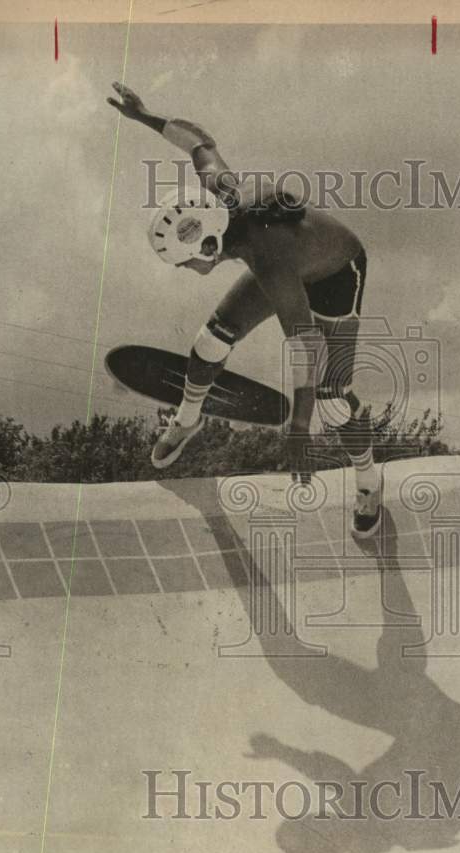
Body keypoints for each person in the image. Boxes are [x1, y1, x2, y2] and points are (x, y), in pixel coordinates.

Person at [107, 82, 381, 539]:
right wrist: (145, 116)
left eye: (190, 261)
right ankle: (188, 418)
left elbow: (304, 345)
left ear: (212, 242)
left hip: (335, 272)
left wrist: (299, 424)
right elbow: (200, 143)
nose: (191, 270)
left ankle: (370, 483)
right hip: (292, 258)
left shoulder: (268, 260)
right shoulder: (218, 193)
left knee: (333, 399)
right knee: (211, 339)